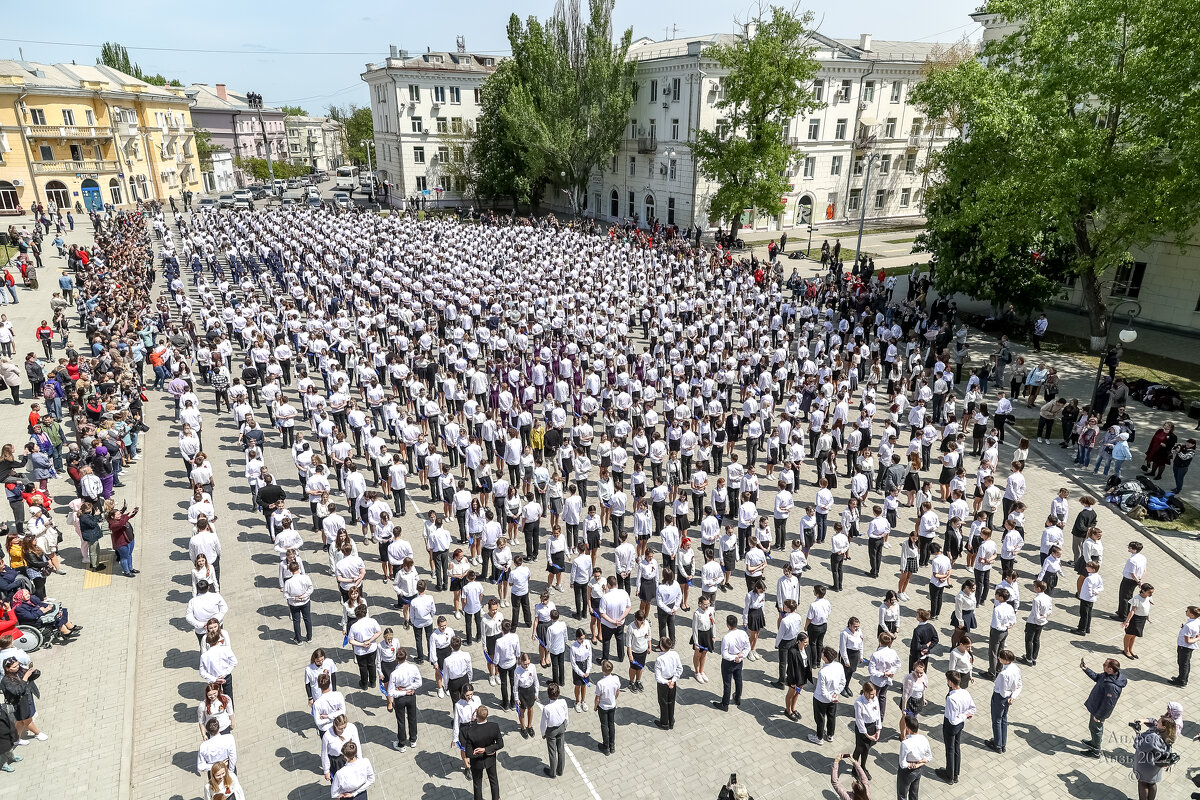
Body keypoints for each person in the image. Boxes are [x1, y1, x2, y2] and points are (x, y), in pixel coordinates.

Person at [1081, 657, 1127, 757]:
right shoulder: (1107, 675)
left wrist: (1098, 716)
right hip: (1096, 707)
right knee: (1093, 727)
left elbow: (1108, 704)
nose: (1103, 665)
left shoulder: (1112, 686)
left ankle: (1095, 751)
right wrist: (1086, 669)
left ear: (1110, 669)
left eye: (1104, 665)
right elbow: (1097, 677)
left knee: (1096, 729)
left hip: (1099, 711)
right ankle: (1094, 743)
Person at [935, 671, 974, 785]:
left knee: (950, 749)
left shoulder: (951, 698)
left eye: (947, 681)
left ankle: (950, 775)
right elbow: (972, 708)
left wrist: (963, 715)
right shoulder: (965, 693)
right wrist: (966, 715)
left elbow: (952, 719)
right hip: (960, 725)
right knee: (956, 747)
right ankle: (955, 773)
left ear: (951, 683)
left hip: (951, 725)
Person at [460, 706, 504, 800]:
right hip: (490, 758)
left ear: (477, 715)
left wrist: (481, 751)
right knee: (493, 780)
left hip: (476, 762)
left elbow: (468, 753)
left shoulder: (470, 731)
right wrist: (486, 750)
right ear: (487, 715)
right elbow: (500, 744)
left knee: (477, 784)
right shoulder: (494, 726)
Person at [1132, 715, 1178, 800]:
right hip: (1155, 766)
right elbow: (1153, 721)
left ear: (1164, 726)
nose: (1157, 722)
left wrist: (1137, 733)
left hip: (1145, 765)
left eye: (1159, 722)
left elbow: (1139, 746)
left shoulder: (1154, 737)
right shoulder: (1168, 734)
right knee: (1152, 783)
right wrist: (1144, 720)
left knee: (1142, 783)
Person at [384, 649, 421, 751]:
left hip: (400, 698)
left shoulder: (394, 673)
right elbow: (419, 683)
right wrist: (409, 688)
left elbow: (390, 692)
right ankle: (413, 740)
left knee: (401, 721)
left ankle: (402, 744)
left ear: (396, 659)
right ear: (407, 656)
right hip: (411, 696)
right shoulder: (413, 668)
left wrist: (403, 691)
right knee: (412, 718)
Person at [985, 649, 1021, 753]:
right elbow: (1019, 685)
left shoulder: (1003, 674)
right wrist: (1012, 696)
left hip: (1000, 697)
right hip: (1010, 696)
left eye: (1000, 657)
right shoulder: (1016, 668)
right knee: (1004, 719)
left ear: (1005, 660)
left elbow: (1001, 690)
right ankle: (1002, 743)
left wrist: (1005, 697)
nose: (998, 658)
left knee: (996, 720)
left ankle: (997, 745)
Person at [712, 614, 750, 711]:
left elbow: (724, 654)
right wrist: (740, 657)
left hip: (728, 663)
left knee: (727, 683)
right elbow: (747, 647)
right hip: (739, 661)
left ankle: (725, 704)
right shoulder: (743, 633)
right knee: (738, 679)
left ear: (728, 625)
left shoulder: (726, 637)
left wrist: (734, 657)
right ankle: (737, 698)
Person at [539, 681, 569, 779]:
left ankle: (552, 773)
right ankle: (560, 770)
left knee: (552, 752)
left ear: (548, 695)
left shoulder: (546, 708)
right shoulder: (563, 702)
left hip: (551, 731)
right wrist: (565, 725)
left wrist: (543, 733)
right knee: (561, 750)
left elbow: (544, 723)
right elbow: (566, 715)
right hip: (561, 727)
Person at [653, 636, 682, 730]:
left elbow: (658, 677)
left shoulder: (659, 660)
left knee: (663, 702)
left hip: (663, 682)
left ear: (661, 646)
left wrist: (667, 682)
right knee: (671, 701)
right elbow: (679, 668)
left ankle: (665, 723)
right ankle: (671, 721)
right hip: (672, 681)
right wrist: (673, 680)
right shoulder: (675, 654)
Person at [593, 659, 621, 752]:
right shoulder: (616, 679)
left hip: (603, 707)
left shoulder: (600, 683)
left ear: (603, 670)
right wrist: (614, 699)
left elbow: (597, 698)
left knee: (604, 725)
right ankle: (612, 745)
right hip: (612, 705)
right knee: (611, 724)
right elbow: (617, 692)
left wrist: (595, 706)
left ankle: (606, 746)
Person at [1169, 605, 1200, 687]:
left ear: (1192, 615)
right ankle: (1182, 678)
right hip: (1189, 648)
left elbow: (1188, 641)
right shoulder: (1197, 621)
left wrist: (1197, 638)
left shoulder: (1189, 626)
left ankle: (1182, 681)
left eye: (1187, 611)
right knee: (1186, 663)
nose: (1186, 612)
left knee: (1183, 664)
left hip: (1184, 647)